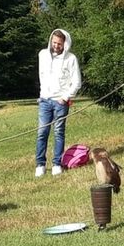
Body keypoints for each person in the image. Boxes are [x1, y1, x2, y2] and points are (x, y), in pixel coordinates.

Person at [35, 29, 81, 177]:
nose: (56, 46)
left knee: (58, 132)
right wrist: (42, 95)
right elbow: (42, 76)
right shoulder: (42, 55)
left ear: (65, 44)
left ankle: (56, 164)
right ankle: (40, 165)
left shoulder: (71, 58)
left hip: (60, 102)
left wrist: (65, 97)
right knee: (42, 132)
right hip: (44, 100)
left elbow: (77, 82)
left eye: (59, 44)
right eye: (54, 42)